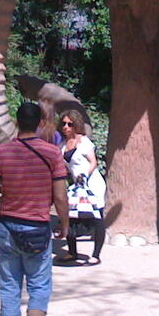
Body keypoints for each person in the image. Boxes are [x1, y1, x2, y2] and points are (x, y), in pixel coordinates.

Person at [0, 102, 69, 316]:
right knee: (39, 285)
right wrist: (64, 223)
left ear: (17, 122)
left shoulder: (1, 152)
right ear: (40, 122)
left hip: (7, 227)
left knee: (9, 285)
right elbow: (60, 196)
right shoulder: (52, 154)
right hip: (38, 228)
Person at [55, 109, 106, 266]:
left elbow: (93, 162)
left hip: (92, 184)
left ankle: (96, 255)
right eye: (63, 124)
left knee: (97, 218)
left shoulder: (84, 142)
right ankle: (72, 252)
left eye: (70, 124)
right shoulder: (62, 144)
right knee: (69, 216)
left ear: (76, 125)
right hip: (76, 187)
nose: (66, 127)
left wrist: (84, 175)